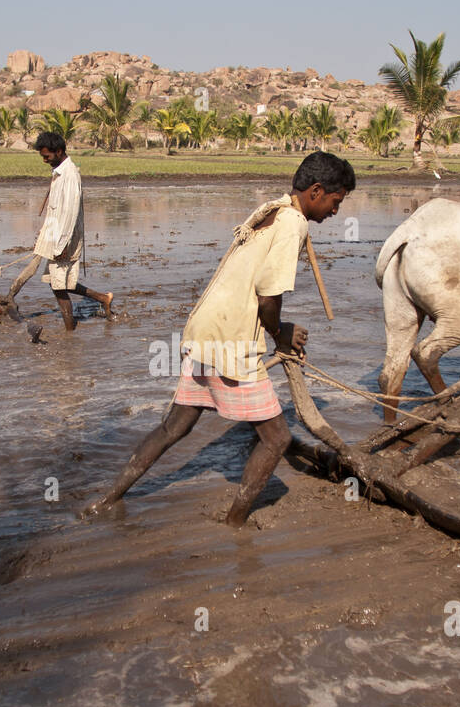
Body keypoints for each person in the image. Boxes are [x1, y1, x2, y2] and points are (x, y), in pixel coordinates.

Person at [82, 151, 355, 527]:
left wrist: (279, 328)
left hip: (205, 329)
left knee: (174, 427)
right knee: (276, 439)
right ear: (316, 191)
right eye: (336, 203)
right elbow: (267, 298)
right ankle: (235, 524)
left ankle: (107, 499)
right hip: (232, 340)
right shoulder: (292, 223)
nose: (335, 212)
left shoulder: (271, 209)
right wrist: (281, 333)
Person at [7, 131, 113, 330]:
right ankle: (102, 298)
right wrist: (46, 234)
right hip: (56, 236)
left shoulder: (70, 175)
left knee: (58, 285)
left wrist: (62, 244)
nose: (45, 160)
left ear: (59, 151)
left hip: (64, 240)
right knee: (59, 282)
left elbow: (70, 213)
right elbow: (57, 211)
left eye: (47, 156)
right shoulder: (59, 172)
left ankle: (70, 332)